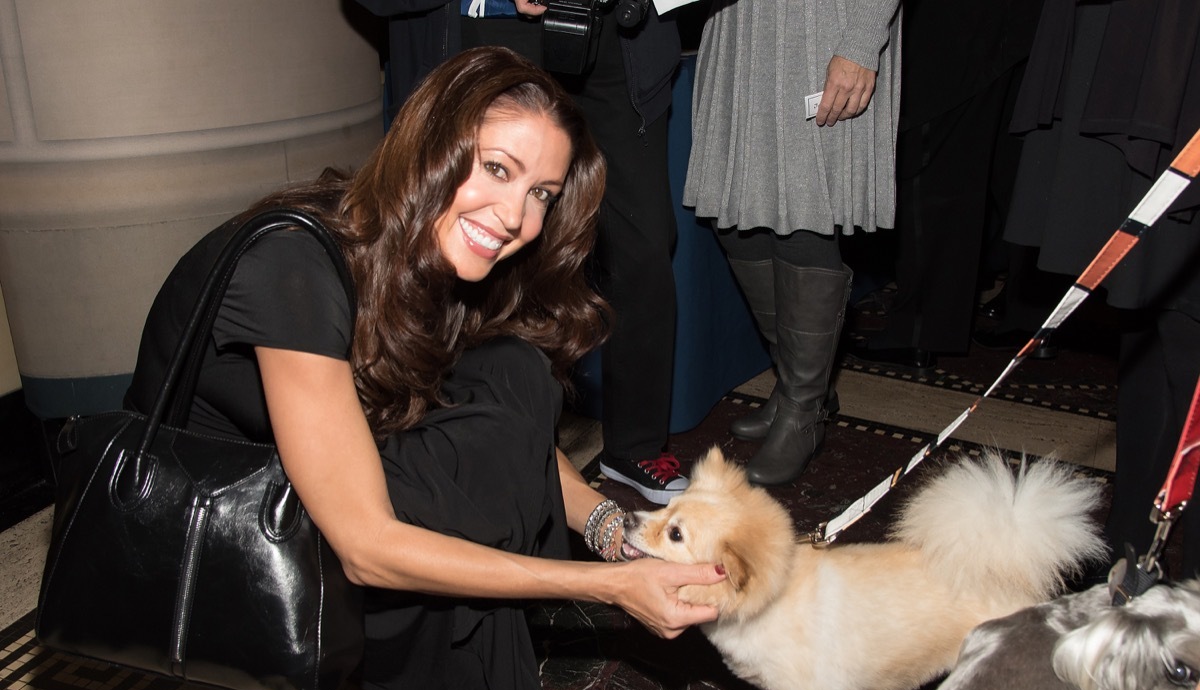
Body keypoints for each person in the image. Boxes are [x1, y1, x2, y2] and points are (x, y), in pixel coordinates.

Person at [123, 48, 724, 690]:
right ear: (432, 145)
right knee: (451, 485)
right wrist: (606, 588)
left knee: (515, 372)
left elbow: (524, 439)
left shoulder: (422, 247)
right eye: (497, 169)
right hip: (217, 521)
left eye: (541, 195)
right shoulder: (291, 266)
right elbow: (368, 545)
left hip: (320, 454)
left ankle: (373, 639)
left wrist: (618, 535)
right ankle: (302, 660)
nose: (515, 218)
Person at [355, 0, 690, 506]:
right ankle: (443, 431)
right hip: (486, 30)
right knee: (468, 242)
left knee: (636, 246)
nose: (515, 213)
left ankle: (630, 445)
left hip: (615, 41)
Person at [1002, 0, 1200, 581]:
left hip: (1173, 55)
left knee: (1180, 318)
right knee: (1151, 311)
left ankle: (1174, 585)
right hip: (1137, 44)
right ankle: (1130, 548)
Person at [682, 0, 901, 486]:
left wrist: (862, 36)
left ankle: (803, 410)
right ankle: (801, 385)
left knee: (805, 216)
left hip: (819, 26)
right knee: (735, 220)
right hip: (739, 26)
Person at [849, 0, 1043, 370]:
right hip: (1019, 21)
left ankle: (921, 332)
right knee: (1014, 167)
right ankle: (1031, 318)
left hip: (955, 23)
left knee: (933, 167)